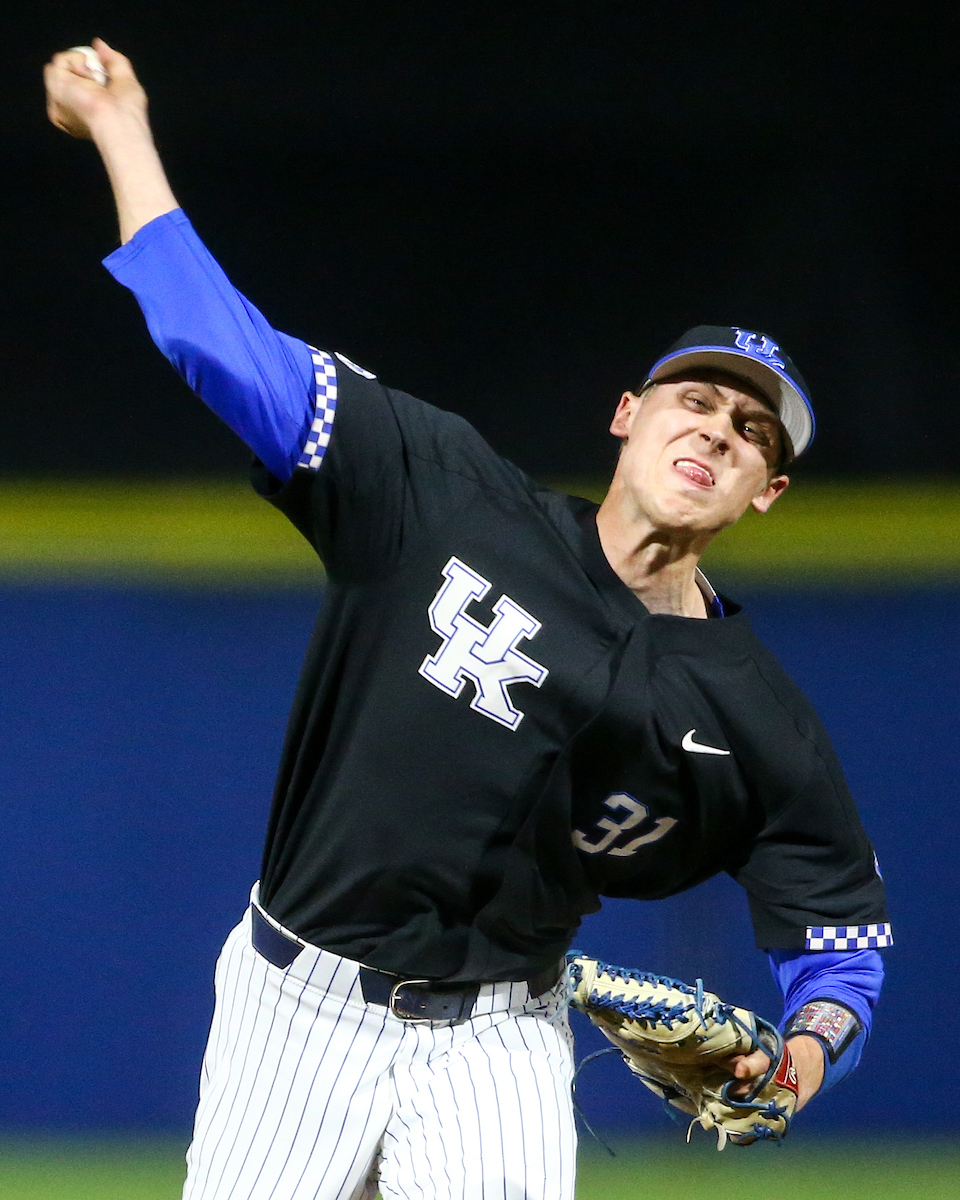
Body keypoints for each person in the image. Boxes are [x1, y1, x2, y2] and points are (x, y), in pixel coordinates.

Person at [45, 39, 891, 1200]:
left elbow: (840, 938)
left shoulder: (754, 717)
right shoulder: (438, 489)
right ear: (628, 416)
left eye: (752, 434)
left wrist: (799, 1062)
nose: (715, 433)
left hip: (500, 1037)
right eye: (694, 401)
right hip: (296, 1009)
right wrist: (121, 127)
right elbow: (211, 338)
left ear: (769, 492)